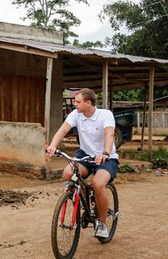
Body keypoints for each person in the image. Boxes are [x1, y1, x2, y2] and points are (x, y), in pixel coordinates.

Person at [46, 88, 119, 239]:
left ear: (88, 103)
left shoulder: (105, 115)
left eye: (78, 102)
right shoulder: (76, 114)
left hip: (106, 157)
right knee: (67, 173)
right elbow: (63, 130)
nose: (75, 105)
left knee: (98, 185)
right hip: (85, 155)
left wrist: (105, 152)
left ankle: (102, 223)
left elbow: (109, 134)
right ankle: (85, 199)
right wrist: (53, 145)